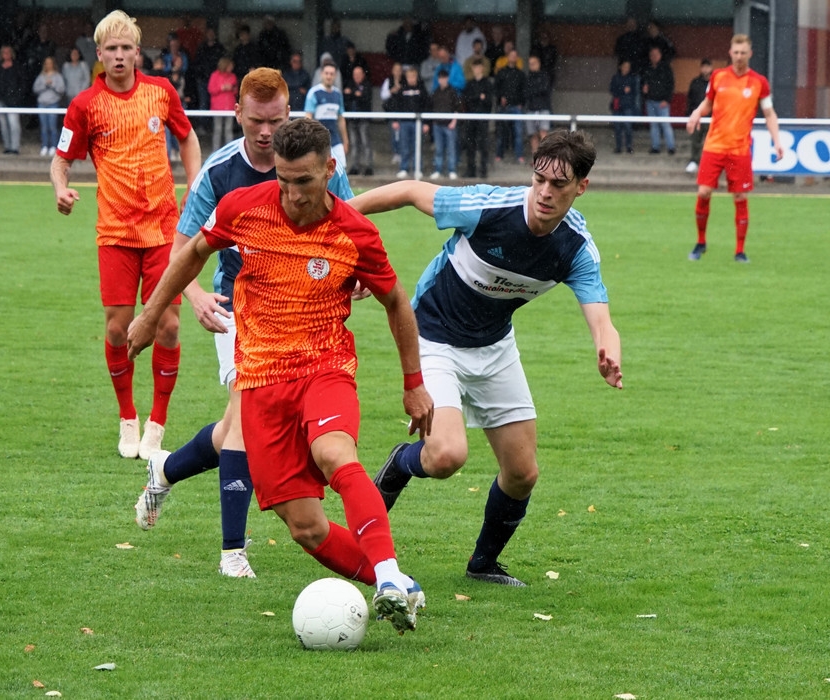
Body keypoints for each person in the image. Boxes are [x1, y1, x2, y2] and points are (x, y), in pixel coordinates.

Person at [128, 117, 432, 633]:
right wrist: (151, 313)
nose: (292, 194)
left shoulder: (354, 232)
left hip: (324, 367)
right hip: (261, 381)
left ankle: (385, 574)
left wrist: (414, 383)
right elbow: (192, 254)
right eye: (284, 180)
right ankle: (401, 587)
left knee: (334, 453)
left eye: (304, 181)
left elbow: (397, 302)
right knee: (306, 527)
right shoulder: (243, 207)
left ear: (330, 170)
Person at [348, 129, 623, 588]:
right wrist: (340, 213)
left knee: (522, 473)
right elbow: (411, 190)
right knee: (446, 456)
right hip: (433, 335)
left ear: (582, 186)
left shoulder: (575, 247)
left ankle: (483, 564)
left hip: (494, 347)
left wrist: (608, 348)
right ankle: (400, 463)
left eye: (559, 184)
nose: (545, 193)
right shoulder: (488, 206)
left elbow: (602, 318)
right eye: (539, 180)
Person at [130, 67, 354, 579]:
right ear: (238, 114)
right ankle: (232, 551)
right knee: (246, 420)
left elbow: (347, 224)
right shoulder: (219, 172)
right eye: (256, 121)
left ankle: (165, 468)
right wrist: (194, 295)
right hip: (237, 308)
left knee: (234, 427)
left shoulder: (318, 163)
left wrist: (354, 274)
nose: (267, 131)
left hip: (304, 312)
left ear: (289, 112)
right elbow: (182, 249)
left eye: (276, 120)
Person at [51, 10, 202, 459]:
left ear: (138, 52)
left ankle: (157, 423)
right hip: (115, 232)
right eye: (111, 49)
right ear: (99, 54)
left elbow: (188, 138)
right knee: (119, 329)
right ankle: (127, 417)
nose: (119, 55)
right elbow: (61, 158)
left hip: (163, 230)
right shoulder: (85, 105)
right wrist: (60, 189)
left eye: (126, 48)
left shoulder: (161, 91)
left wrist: (195, 185)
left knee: (168, 326)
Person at [686, 34, 782, 263]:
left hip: (739, 150)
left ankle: (740, 250)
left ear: (750, 54)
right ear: (730, 53)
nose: (739, 56)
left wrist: (777, 141)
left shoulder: (759, 82)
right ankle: (701, 242)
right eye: (736, 52)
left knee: (740, 196)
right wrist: (697, 113)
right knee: (703, 192)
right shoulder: (718, 77)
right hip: (714, 146)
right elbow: (708, 103)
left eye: (743, 53)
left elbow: (769, 113)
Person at [304, 61, 348, 168]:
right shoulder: (314, 93)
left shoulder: (337, 94)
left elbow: (341, 119)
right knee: (320, 170)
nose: (329, 76)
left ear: (335, 76)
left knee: (341, 168)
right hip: (319, 140)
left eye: (331, 74)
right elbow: (308, 118)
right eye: (326, 73)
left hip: (335, 139)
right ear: (321, 74)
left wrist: (345, 140)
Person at [393, 64, 430, 178]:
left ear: (416, 77)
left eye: (413, 76)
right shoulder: (402, 90)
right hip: (404, 122)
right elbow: (397, 105)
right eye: (409, 77)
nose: (411, 79)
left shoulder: (422, 90)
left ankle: (417, 168)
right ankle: (404, 168)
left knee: (417, 146)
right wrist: (395, 120)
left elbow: (427, 106)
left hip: (417, 123)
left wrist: (426, 123)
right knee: (404, 146)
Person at [461, 58, 493, 178]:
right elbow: (466, 100)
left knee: (483, 145)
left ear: (482, 68)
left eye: (479, 67)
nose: (477, 70)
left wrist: (478, 99)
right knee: (470, 145)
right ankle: (471, 170)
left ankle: (483, 170)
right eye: (475, 67)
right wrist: (478, 97)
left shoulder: (487, 84)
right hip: (471, 118)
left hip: (482, 118)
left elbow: (489, 101)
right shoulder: (469, 84)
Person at [0, 45, 26, 155]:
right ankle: (7, 146)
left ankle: (15, 147)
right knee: (3, 125)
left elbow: (22, 83)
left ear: (12, 54)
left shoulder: (17, 67)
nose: (6, 54)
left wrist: (18, 96)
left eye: (8, 52)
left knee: (14, 124)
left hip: (13, 100)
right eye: (4, 52)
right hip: (0, 99)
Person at [494, 48, 526, 163]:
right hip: (503, 107)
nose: (513, 57)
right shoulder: (501, 72)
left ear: (517, 58)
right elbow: (496, 89)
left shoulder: (520, 74)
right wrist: (500, 98)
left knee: (518, 133)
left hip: (516, 107)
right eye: (511, 55)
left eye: (515, 55)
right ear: (507, 57)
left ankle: (519, 155)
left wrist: (521, 103)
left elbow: (524, 90)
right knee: (501, 132)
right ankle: (499, 154)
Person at [641, 46, 675, 155]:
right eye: (652, 55)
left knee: (665, 125)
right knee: (653, 125)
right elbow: (643, 82)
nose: (654, 57)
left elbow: (671, 85)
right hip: (650, 101)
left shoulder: (666, 68)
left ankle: (671, 147)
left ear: (660, 55)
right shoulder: (647, 68)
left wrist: (667, 99)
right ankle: (655, 147)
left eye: (656, 54)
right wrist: (644, 89)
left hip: (662, 102)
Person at [428, 68, 459, 181]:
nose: (442, 80)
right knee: (439, 149)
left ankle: (452, 170)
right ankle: (438, 170)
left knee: (451, 149)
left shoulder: (452, 92)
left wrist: (454, 122)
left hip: (449, 125)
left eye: (444, 78)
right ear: (438, 79)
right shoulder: (435, 92)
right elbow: (431, 107)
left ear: (447, 78)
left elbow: (457, 108)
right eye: (440, 78)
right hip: (437, 125)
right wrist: (433, 121)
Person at [342, 64, 373, 176]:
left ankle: (368, 166)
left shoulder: (367, 85)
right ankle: (355, 166)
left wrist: (353, 94)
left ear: (363, 75)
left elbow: (365, 98)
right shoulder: (350, 84)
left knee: (365, 143)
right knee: (354, 143)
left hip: (363, 119)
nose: (357, 76)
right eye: (355, 74)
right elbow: (346, 98)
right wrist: (355, 95)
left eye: (359, 74)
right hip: (352, 119)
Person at [685, 58, 712, 173]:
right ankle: (694, 161)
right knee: (696, 140)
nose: (705, 69)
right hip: (698, 118)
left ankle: (709, 163)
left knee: (710, 142)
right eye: (703, 67)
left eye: (707, 67)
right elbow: (690, 99)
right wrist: (690, 114)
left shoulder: (715, 82)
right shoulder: (695, 82)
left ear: (711, 68)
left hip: (712, 117)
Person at [33, 56, 65, 156]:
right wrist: (44, 85)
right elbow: (35, 89)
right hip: (42, 104)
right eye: (46, 63)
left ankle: (54, 146)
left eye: (50, 63)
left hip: (53, 104)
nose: (48, 65)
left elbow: (62, 89)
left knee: (52, 126)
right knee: (44, 127)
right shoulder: (41, 76)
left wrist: (52, 85)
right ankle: (44, 146)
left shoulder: (58, 76)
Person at [524, 54, 552, 155]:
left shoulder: (544, 76)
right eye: (530, 64)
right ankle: (535, 157)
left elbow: (544, 90)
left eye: (534, 63)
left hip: (543, 108)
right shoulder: (528, 78)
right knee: (533, 135)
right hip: (531, 109)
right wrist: (535, 90)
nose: (532, 65)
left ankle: (545, 157)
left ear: (539, 63)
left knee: (543, 133)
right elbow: (526, 92)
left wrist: (533, 91)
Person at [208, 56, 237, 152]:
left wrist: (231, 88)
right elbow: (211, 89)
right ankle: (216, 151)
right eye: (230, 66)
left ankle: (230, 151)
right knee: (218, 129)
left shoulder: (233, 76)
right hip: (218, 107)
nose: (232, 68)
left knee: (228, 130)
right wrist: (222, 88)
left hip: (229, 106)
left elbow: (236, 90)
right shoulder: (214, 75)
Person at [609, 59, 638, 154]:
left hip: (628, 105)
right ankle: (618, 147)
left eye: (628, 67)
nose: (626, 68)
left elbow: (635, 92)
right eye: (625, 66)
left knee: (628, 127)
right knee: (617, 127)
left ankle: (629, 146)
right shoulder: (615, 78)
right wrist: (622, 90)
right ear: (620, 67)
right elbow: (612, 90)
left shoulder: (632, 78)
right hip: (617, 106)